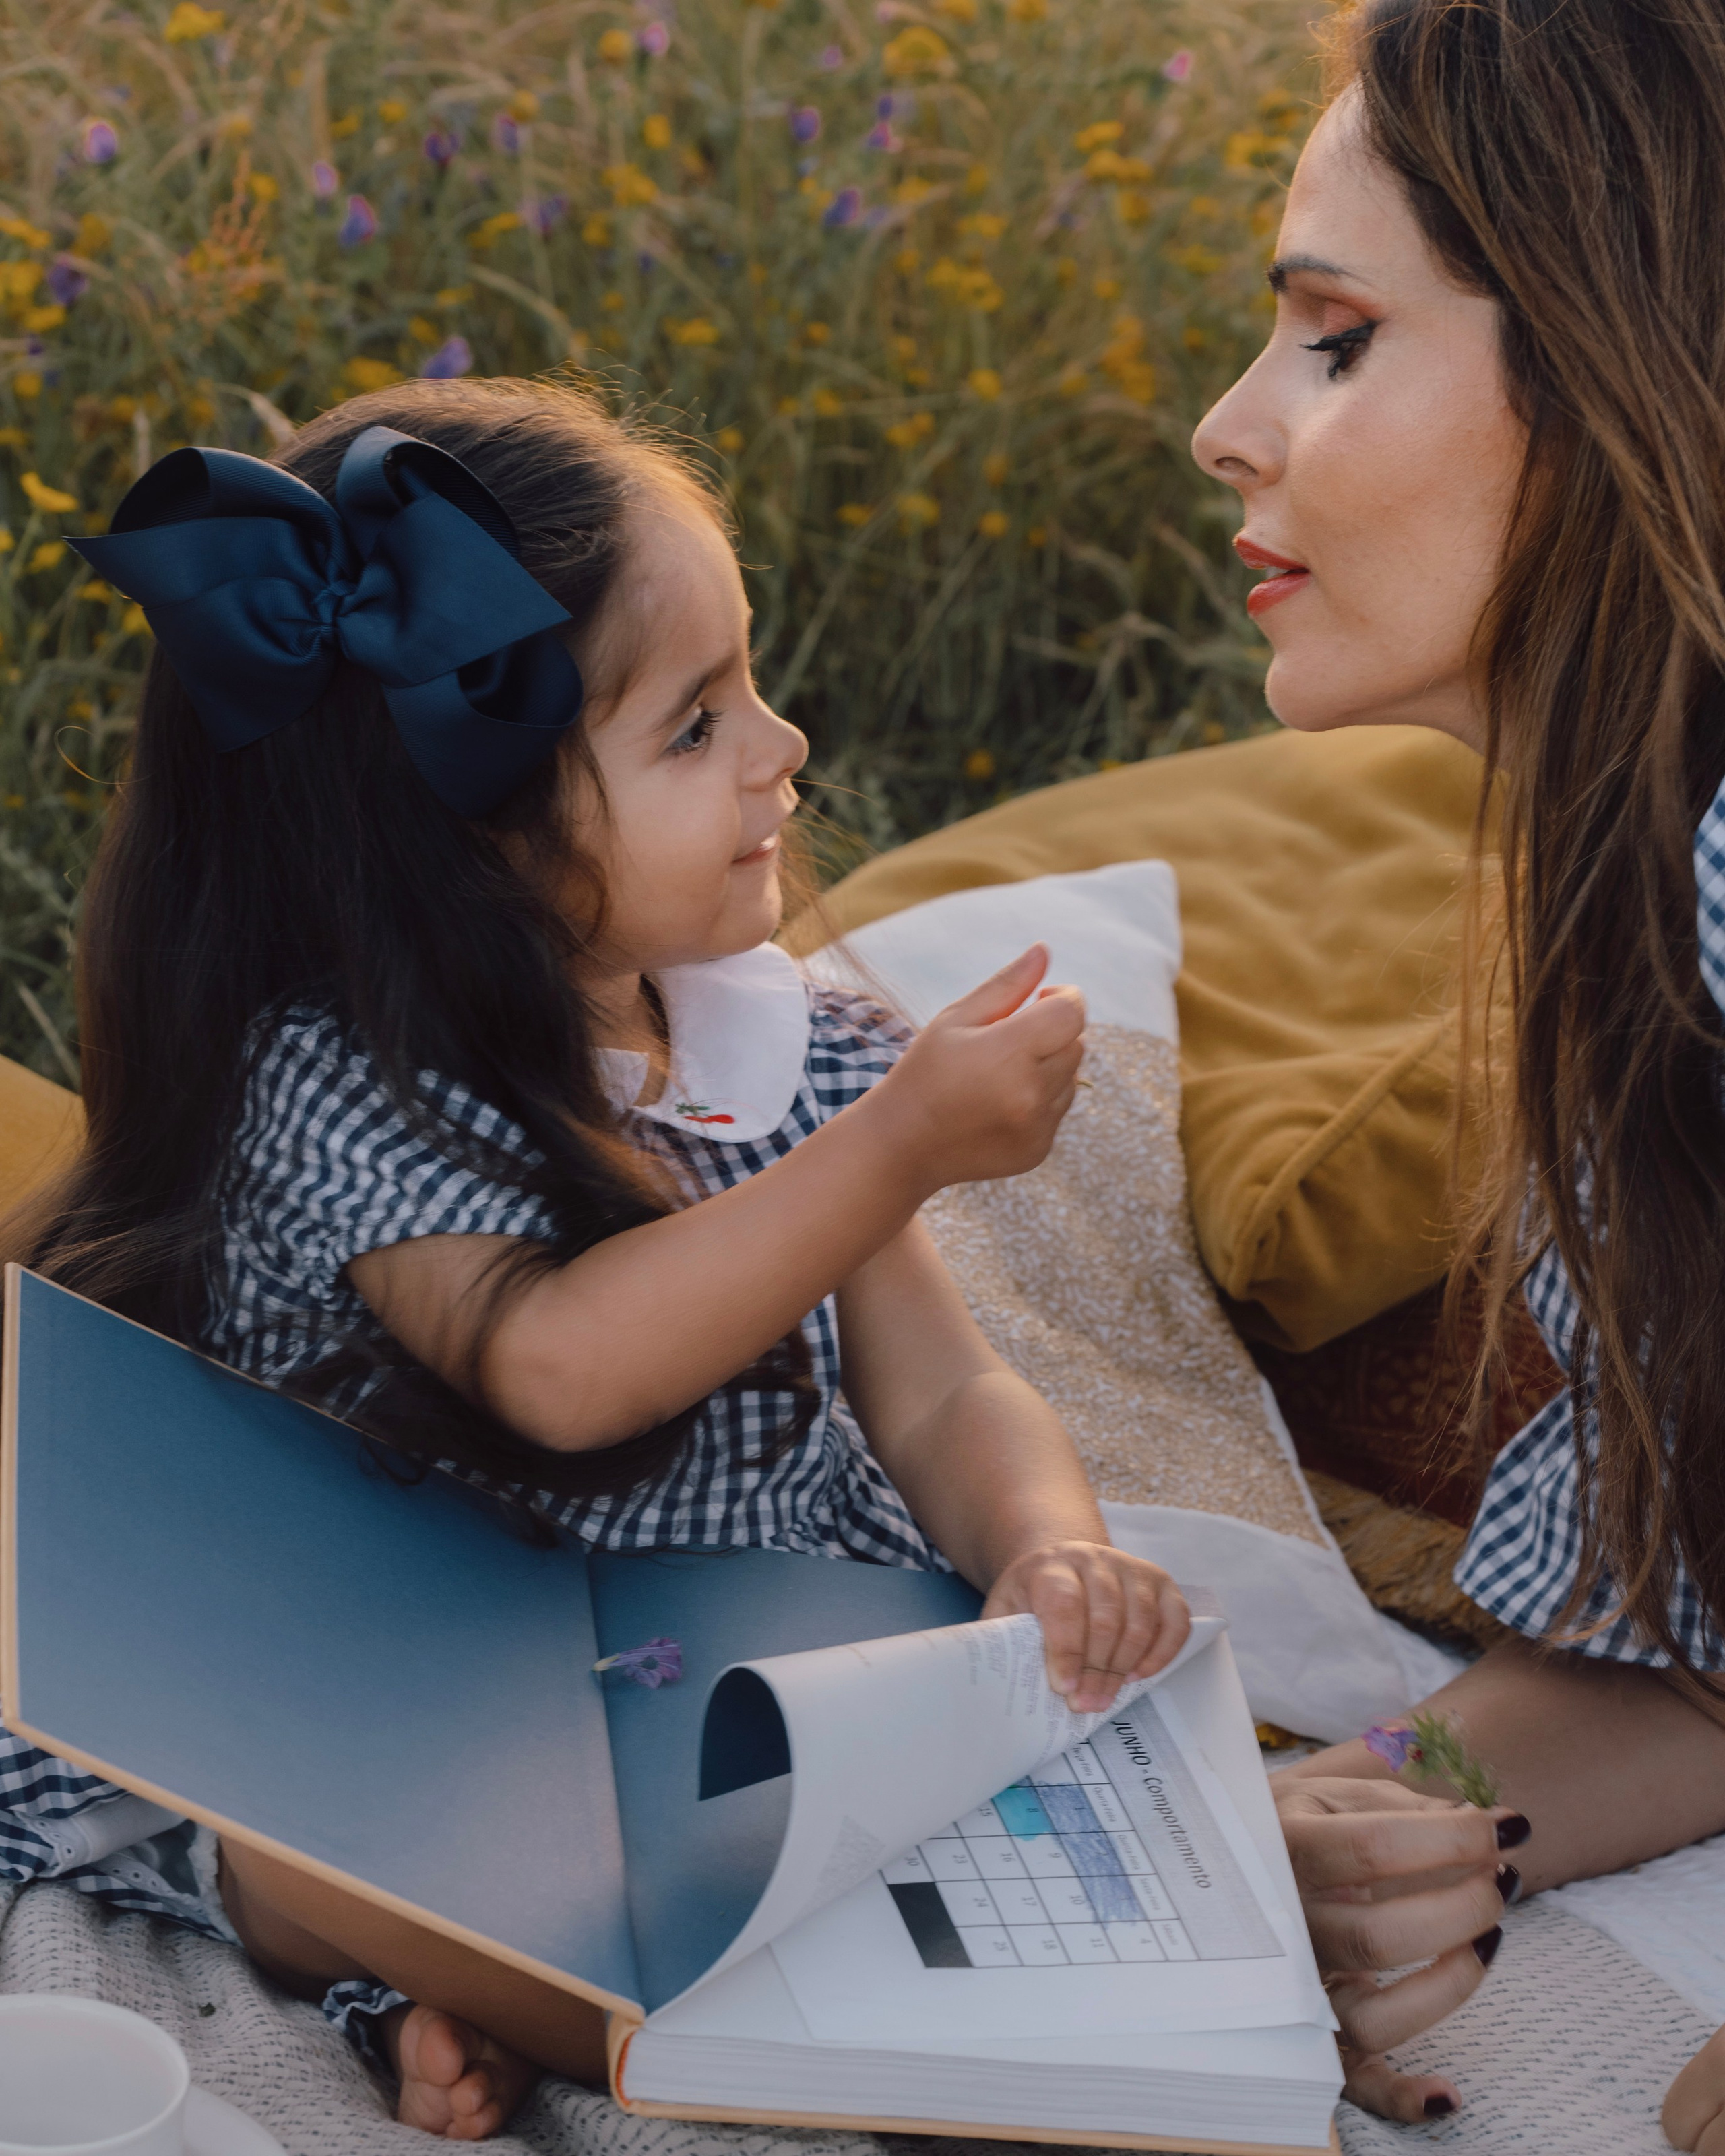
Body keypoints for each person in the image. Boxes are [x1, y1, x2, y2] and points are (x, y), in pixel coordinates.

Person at [0, 379, 1189, 2138]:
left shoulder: (763, 1037)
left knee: (964, 1775)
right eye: (698, 726)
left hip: (716, 1660)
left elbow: (941, 1386)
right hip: (401, 1683)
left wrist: (1047, 1548)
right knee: (317, 1856)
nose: (783, 749)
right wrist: (903, 1142)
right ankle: (580, 2007)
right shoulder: (342, 1090)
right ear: (471, 841)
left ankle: (530, 2000)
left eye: (753, 686)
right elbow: (558, 1369)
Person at [1191, 0, 1725, 2138]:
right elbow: (1690, 1661)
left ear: (1617, 371)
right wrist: (1409, 1811)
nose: (1231, 428)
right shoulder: (1626, 960)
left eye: (1336, 336)